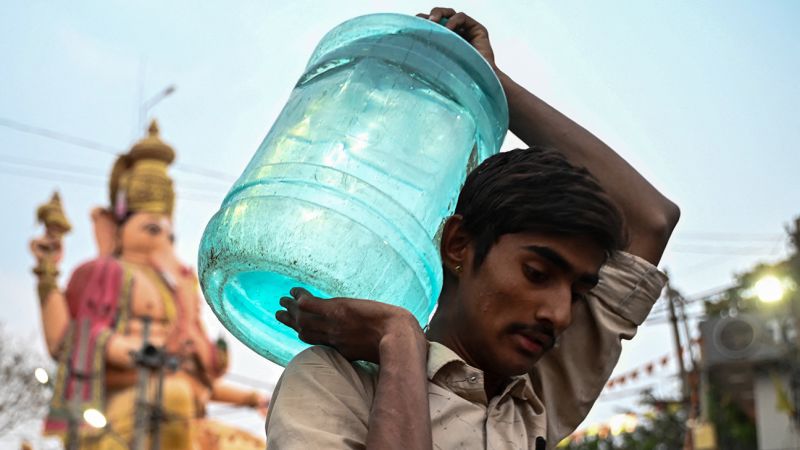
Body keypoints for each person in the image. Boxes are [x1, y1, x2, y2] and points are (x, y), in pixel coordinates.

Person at [265, 8, 680, 449]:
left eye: (578, 292)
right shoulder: (335, 382)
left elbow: (649, 220)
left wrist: (490, 83)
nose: (559, 315)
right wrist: (400, 339)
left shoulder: (529, 403)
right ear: (459, 244)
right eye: (537, 274)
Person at [30, 121, 268, 449]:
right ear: (117, 229)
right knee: (175, 398)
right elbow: (66, 340)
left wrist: (253, 398)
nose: (164, 244)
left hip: (184, 413)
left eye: (170, 236)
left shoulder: (177, 290)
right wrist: (47, 275)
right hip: (124, 412)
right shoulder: (104, 272)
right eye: (152, 230)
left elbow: (199, 382)